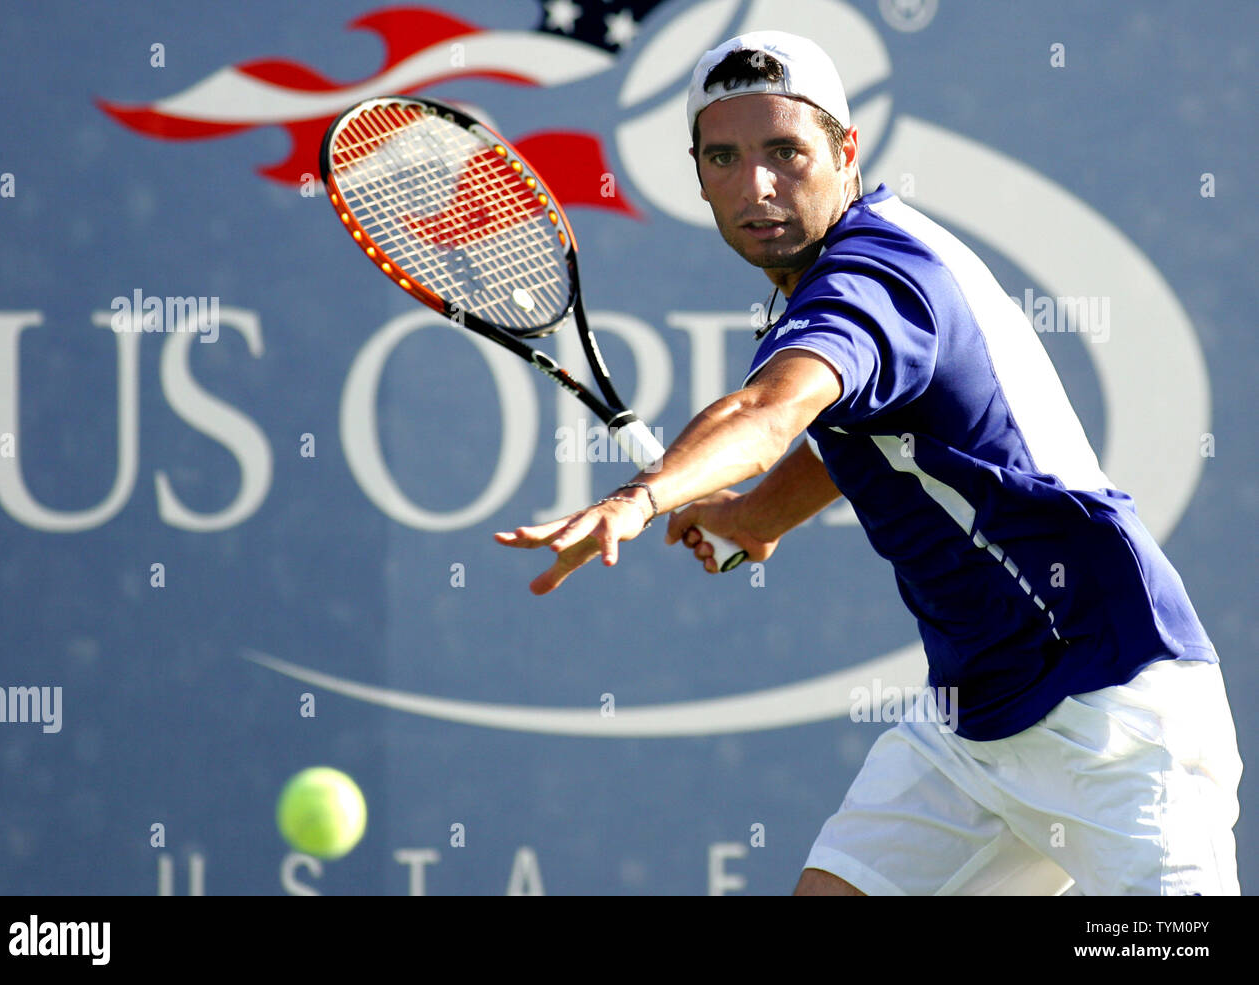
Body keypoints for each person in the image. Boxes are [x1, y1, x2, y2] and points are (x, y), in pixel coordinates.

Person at [495, 31, 1242, 895]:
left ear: (846, 152)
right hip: (973, 721)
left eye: (786, 152)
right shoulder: (848, 270)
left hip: (1113, 704)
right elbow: (867, 429)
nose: (758, 186)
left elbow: (770, 411)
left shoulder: (876, 279)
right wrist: (758, 515)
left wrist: (640, 496)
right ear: (696, 174)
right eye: (725, 158)